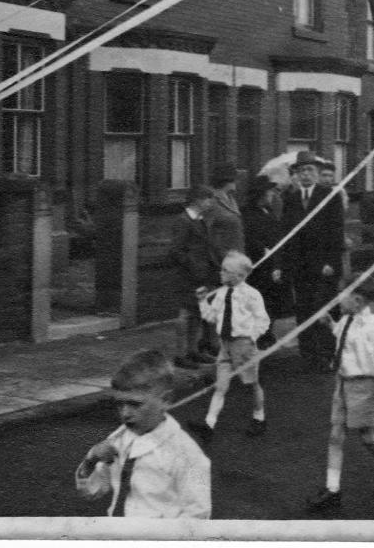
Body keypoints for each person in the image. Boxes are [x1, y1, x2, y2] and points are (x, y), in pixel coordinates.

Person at [306, 277, 374, 511]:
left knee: (366, 437)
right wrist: (330, 323)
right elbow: (343, 339)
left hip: (365, 386)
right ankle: (333, 490)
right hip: (342, 383)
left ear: (358, 299)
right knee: (335, 436)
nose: (337, 297)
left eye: (342, 293)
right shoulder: (346, 319)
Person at [75, 349, 210, 518]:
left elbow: (197, 516)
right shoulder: (120, 437)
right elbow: (92, 491)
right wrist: (91, 460)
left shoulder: (186, 454)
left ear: (166, 400)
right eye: (119, 404)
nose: (125, 413)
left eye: (135, 404)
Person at [188, 251, 270, 442]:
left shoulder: (251, 295)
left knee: (251, 384)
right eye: (222, 269)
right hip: (225, 345)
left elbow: (263, 320)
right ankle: (209, 424)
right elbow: (211, 317)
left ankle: (259, 417)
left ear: (239, 276)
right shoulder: (221, 294)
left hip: (243, 346)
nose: (221, 273)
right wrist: (202, 301)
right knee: (221, 386)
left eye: (225, 270)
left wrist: (251, 337)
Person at [281, 150, 344, 372]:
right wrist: (284, 265)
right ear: (296, 175)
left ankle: (328, 354)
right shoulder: (290, 199)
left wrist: (331, 262)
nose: (305, 174)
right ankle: (308, 355)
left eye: (309, 170)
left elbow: (336, 232)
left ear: (317, 173)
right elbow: (286, 234)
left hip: (324, 266)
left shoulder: (329, 195)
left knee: (325, 309)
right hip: (300, 267)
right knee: (304, 310)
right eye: (301, 171)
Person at [169, 185, 227, 369]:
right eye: (208, 199)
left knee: (196, 313)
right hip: (188, 276)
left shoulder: (199, 220)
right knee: (185, 314)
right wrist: (193, 266)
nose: (211, 202)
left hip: (202, 275)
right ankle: (180, 354)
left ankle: (192, 351)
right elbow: (176, 250)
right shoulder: (183, 221)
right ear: (198, 200)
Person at [242, 175, 288, 349]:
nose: (271, 195)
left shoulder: (268, 211)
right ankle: (259, 334)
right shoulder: (247, 213)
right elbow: (249, 237)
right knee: (258, 300)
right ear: (260, 194)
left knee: (272, 300)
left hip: (272, 264)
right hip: (258, 265)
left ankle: (268, 332)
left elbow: (276, 233)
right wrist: (262, 250)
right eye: (268, 191)